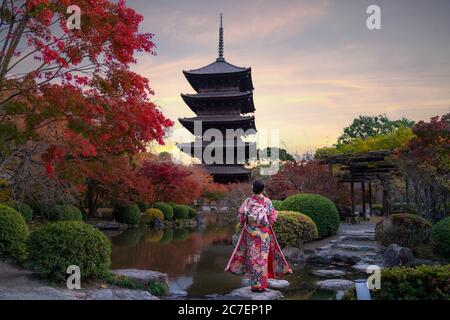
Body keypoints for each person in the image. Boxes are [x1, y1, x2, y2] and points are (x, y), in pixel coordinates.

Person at [225, 179, 292, 292]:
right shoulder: (267, 201)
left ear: (253, 188)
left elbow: (241, 218)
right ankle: (261, 285)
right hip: (263, 234)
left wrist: (249, 223)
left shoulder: (248, 201)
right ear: (263, 189)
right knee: (262, 259)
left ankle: (255, 285)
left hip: (251, 234)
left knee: (253, 259)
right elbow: (272, 218)